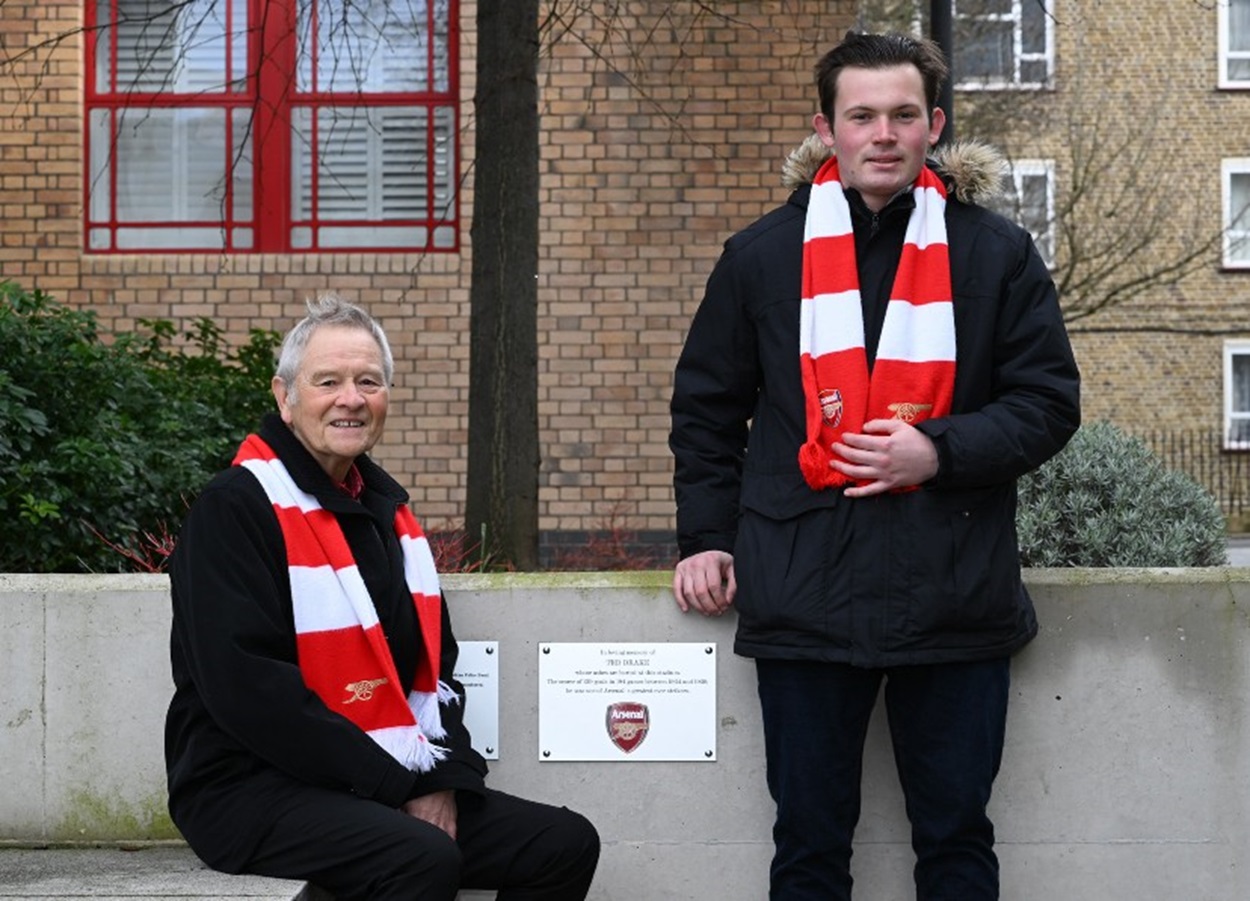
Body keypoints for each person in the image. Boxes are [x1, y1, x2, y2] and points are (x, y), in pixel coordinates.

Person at [669, 31, 1080, 901]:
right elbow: (707, 410)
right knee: (809, 849)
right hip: (803, 592)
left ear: (933, 125)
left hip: (955, 591)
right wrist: (705, 538)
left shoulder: (997, 254)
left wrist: (939, 449)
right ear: (828, 128)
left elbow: (1049, 403)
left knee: (957, 842)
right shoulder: (760, 257)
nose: (882, 134)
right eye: (862, 116)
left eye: (901, 115)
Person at [165, 294, 600, 901]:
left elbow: (436, 672)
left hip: (379, 776)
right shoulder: (235, 507)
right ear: (284, 397)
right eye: (329, 381)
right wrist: (396, 786)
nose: (351, 398)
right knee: (417, 859)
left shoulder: (387, 517)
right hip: (246, 787)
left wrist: (443, 778)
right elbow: (249, 689)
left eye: (369, 381)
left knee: (562, 843)